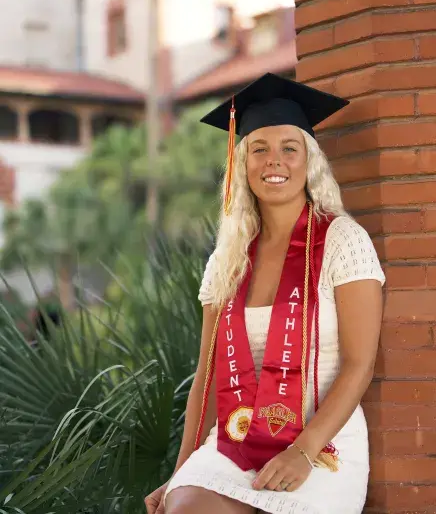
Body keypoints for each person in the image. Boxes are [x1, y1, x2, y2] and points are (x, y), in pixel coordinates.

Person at [145, 72, 385, 514]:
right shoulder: (227, 259)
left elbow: (359, 364)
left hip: (323, 441)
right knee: (186, 508)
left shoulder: (342, 241)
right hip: (237, 438)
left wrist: (303, 450)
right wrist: (180, 472)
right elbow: (208, 374)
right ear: (242, 164)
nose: (274, 161)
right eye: (259, 149)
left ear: (308, 161)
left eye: (289, 149)